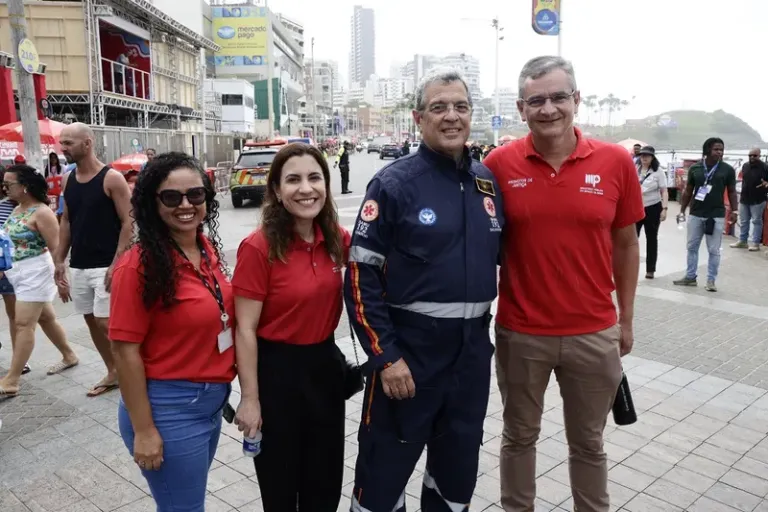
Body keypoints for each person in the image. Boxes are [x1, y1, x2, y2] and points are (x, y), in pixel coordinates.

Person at [483, 56, 644, 512]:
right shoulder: (498, 164)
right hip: (521, 332)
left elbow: (627, 246)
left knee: (589, 443)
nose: (548, 108)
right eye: (537, 100)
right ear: (521, 108)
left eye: (558, 97)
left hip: (593, 333)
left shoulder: (614, 162)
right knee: (518, 437)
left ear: (576, 99)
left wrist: (625, 321)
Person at [344, 67, 503, 512]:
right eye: (438, 107)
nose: (451, 116)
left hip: (470, 358)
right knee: (383, 476)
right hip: (408, 359)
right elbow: (360, 277)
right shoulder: (394, 185)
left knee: (455, 476)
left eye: (460, 106)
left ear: (471, 114)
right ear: (419, 118)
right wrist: (386, 357)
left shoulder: (485, 183)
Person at [109, 152, 234, 510]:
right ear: (152, 202)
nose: (186, 205)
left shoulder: (203, 248)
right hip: (169, 408)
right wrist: (145, 430)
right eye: (171, 197)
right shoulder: (138, 265)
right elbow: (124, 350)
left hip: (209, 402)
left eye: (195, 195)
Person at [232, 143, 351, 511]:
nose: (306, 188)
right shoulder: (258, 247)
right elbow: (244, 329)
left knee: (326, 479)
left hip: (324, 368)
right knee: (281, 484)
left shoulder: (334, 237)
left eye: (315, 178)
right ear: (277, 191)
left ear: (326, 185)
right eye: (293, 180)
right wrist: (250, 399)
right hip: (276, 374)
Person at [54, 123, 133, 396]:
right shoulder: (68, 179)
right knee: (90, 319)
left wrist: (117, 262)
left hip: (106, 264)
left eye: (68, 143)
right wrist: (59, 259)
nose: (62, 148)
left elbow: (129, 222)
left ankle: (134, 371)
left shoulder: (112, 178)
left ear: (87, 143)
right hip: (80, 264)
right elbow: (67, 221)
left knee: (106, 322)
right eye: (62, 142)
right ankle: (113, 371)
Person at [0, 165, 79, 397]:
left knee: (23, 324)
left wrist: (62, 279)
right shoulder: (17, 209)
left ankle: (12, 380)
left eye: (9, 184)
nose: (5, 188)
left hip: (36, 272)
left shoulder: (42, 212)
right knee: (46, 318)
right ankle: (69, 355)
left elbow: (57, 249)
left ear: (24, 187)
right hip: (18, 271)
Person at [674, 137, 737, 292]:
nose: (719, 152)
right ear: (708, 150)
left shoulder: (727, 170)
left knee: (714, 250)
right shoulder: (696, 168)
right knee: (692, 246)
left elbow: (732, 191)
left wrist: (735, 211)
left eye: (721, 149)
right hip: (696, 213)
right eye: (716, 149)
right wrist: (682, 210)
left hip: (716, 215)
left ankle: (711, 280)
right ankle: (690, 277)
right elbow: (688, 190)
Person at [0, 168, 30, 375]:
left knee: (15, 315)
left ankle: (19, 359)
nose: (5, 188)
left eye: (8, 184)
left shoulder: (30, 209)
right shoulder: (2, 208)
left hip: (14, 270)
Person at [636, 146, 668, 279]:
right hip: (636, 207)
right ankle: (628, 266)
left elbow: (664, 191)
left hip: (653, 207)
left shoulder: (658, 171)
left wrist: (664, 209)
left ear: (652, 157)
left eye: (647, 156)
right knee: (632, 239)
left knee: (651, 238)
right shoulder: (634, 168)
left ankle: (650, 269)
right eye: (642, 155)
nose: (644, 158)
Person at [730, 148, 768, 251]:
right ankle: (743, 241)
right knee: (744, 220)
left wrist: (766, 184)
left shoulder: (765, 167)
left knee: (756, 221)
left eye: (754, 155)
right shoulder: (745, 165)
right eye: (750, 155)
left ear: (759, 155)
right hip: (744, 198)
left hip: (758, 199)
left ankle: (755, 243)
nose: (752, 157)